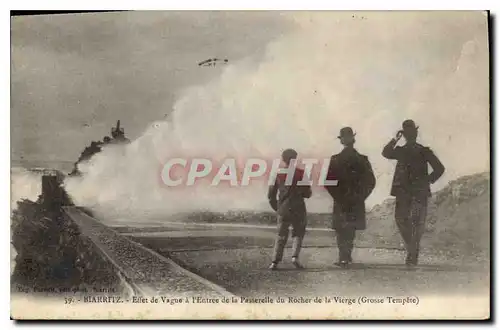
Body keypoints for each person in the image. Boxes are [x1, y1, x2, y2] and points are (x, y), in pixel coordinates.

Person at [382, 119, 445, 267]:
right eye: (408, 133)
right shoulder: (402, 151)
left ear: (414, 134)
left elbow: (439, 168)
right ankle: (413, 248)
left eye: (411, 133)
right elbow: (385, 153)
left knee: (412, 222)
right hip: (407, 192)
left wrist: (427, 181)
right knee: (403, 220)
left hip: (415, 192)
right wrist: (428, 181)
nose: (410, 135)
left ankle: (412, 251)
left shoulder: (423, 151)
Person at [325, 127, 376, 267]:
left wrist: (338, 197)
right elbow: (371, 181)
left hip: (341, 200)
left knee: (341, 229)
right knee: (350, 229)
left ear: (341, 141)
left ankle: (343, 257)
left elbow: (328, 182)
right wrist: (361, 196)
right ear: (353, 139)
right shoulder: (362, 159)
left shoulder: (335, 159)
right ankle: (346, 256)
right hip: (356, 199)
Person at [268, 149, 312, 270]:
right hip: (298, 207)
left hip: (283, 208)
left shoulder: (277, 173)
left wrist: (278, 208)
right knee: (298, 233)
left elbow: (271, 195)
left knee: (281, 234)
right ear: (295, 159)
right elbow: (308, 193)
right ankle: (294, 257)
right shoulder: (301, 173)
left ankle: (275, 261)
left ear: (283, 159)